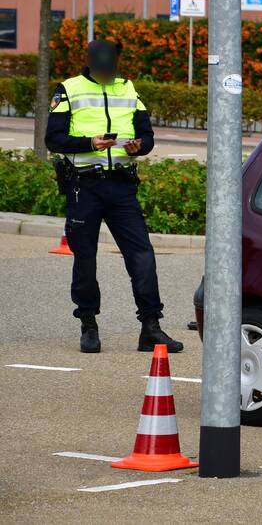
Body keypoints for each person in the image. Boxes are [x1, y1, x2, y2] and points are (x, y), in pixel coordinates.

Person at [45, 39, 183, 354]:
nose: (107, 74)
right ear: (91, 64)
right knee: (85, 259)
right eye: (101, 69)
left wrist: (139, 146)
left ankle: (150, 327)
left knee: (142, 255)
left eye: (111, 69)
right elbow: (53, 138)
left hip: (121, 186)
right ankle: (88, 325)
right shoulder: (69, 89)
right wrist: (90, 143)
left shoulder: (128, 89)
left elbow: (147, 136)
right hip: (85, 185)